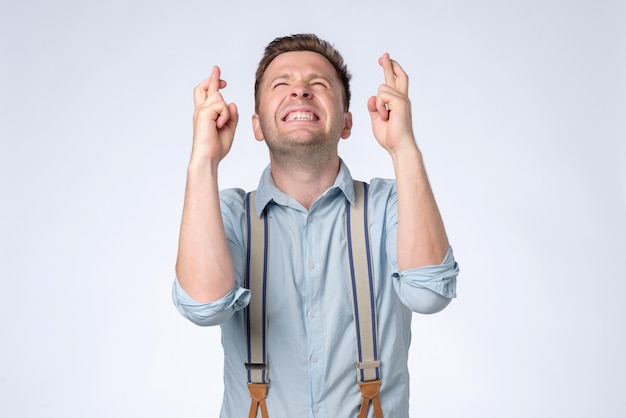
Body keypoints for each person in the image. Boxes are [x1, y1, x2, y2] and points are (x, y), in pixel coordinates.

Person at [172, 33, 459, 418]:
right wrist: (203, 160)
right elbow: (203, 307)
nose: (301, 92)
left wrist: (403, 147)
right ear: (256, 126)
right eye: (282, 84)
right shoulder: (230, 214)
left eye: (319, 84)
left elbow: (429, 295)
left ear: (346, 123)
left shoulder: (390, 203)